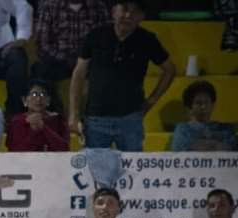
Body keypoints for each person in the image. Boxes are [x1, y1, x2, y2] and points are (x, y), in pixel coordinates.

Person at [67, 1, 176, 152]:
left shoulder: (148, 39)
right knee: (95, 172)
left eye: (135, 11)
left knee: (133, 172)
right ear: (113, 12)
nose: (128, 15)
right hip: (95, 119)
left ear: (142, 17)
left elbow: (169, 69)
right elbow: (78, 74)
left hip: (130, 119)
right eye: (124, 9)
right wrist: (74, 114)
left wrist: (151, 101)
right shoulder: (95, 35)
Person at [31, 0, 109, 102]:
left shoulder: (98, 6)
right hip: (59, 60)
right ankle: (51, 113)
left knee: (107, 69)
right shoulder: (50, 6)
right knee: (40, 70)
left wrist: (84, 59)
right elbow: (43, 43)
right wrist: (63, 57)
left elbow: (106, 38)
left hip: (89, 61)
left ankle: (95, 113)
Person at [170, 81, 238, 152]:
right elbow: (180, 148)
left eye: (207, 102)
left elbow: (233, 148)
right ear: (190, 106)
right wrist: (216, 145)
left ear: (212, 105)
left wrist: (199, 145)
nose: (203, 106)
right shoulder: (183, 129)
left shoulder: (226, 129)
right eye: (198, 103)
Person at [6, 81, 69, 152]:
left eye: (42, 94)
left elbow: (64, 149)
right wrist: (34, 131)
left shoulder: (58, 120)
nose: (38, 99)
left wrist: (43, 127)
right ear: (24, 100)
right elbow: (15, 152)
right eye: (34, 94)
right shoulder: (16, 122)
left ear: (48, 100)